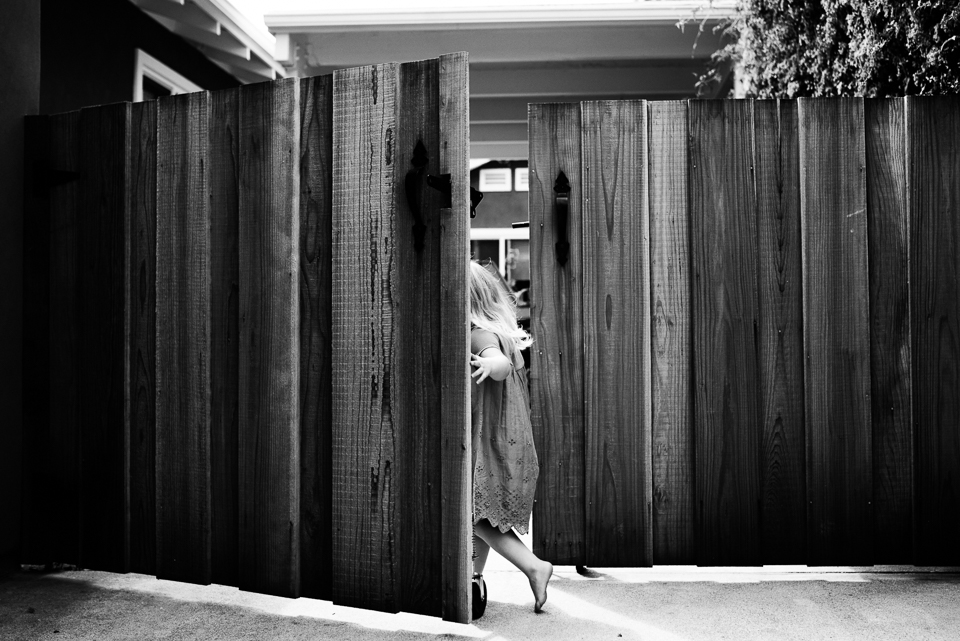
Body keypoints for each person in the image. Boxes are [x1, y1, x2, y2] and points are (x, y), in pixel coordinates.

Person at [468, 260, 553, 618]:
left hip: (489, 445)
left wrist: (491, 366)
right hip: (509, 444)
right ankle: (473, 577)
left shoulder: (479, 335)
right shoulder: (501, 332)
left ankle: (534, 566)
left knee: (472, 514)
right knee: (484, 517)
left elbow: (498, 364)